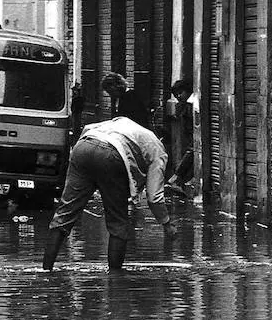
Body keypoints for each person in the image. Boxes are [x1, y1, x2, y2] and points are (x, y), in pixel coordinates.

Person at [42, 115, 178, 271]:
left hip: (83, 146)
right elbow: (154, 197)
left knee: (64, 214)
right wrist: (167, 224)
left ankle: (46, 270)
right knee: (118, 223)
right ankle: (115, 279)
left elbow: (88, 129)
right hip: (111, 155)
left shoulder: (124, 124)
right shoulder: (159, 151)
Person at [166, 78, 197, 196]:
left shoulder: (191, 104)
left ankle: (176, 179)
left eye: (180, 92)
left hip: (193, 136)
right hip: (190, 136)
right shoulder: (185, 105)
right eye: (176, 94)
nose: (179, 96)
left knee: (191, 153)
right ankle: (178, 179)